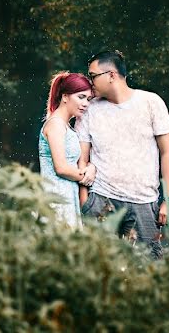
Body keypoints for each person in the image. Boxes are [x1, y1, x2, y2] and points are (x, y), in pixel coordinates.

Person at [77, 50, 169, 258]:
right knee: (96, 267)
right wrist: (85, 203)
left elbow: (167, 154)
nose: (90, 82)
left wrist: (168, 200)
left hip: (143, 202)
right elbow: (82, 159)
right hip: (101, 201)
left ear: (111, 75)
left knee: (149, 269)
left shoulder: (151, 102)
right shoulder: (89, 109)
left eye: (93, 76)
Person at [38, 72, 97, 227]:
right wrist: (88, 174)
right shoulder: (56, 124)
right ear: (65, 97)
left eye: (89, 99)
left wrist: (90, 166)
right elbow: (61, 168)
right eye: (81, 97)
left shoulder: (64, 125)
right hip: (55, 198)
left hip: (67, 196)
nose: (86, 103)